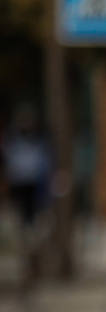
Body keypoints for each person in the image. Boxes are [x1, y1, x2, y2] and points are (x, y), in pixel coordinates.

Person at [1, 103, 53, 292]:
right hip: (20, 191)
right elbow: (10, 170)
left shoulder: (39, 144)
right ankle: (27, 268)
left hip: (35, 193)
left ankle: (34, 265)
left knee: (36, 232)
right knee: (23, 233)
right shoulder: (13, 144)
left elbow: (44, 170)